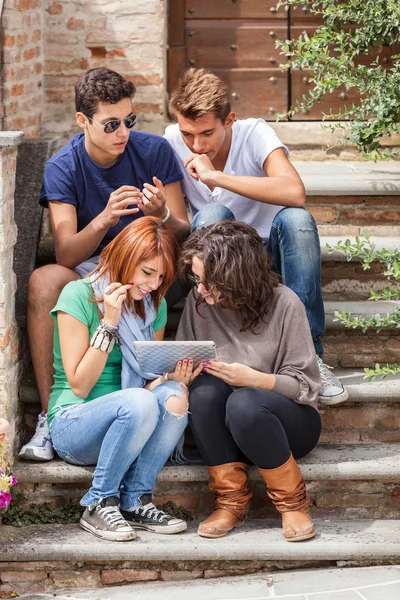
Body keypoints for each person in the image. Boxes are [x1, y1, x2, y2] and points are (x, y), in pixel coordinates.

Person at [20, 67, 190, 461]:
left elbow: (184, 231)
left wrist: (162, 214)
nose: (122, 133)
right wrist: (104, 218)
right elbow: (65, 253)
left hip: (150, 267)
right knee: (45, 281)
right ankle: (51, 416)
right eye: (111, 124)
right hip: (92, 268)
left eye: (129, 120)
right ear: (83, 121)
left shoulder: (154, 151)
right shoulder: (63, 166)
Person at [165, 67, 348, 407]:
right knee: (210, 217)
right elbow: (180, 225)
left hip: (267, 254)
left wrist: (217, 177)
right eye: (188, 134)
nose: (196, 144)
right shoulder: (171, 142)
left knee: (297, 220)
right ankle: (218, 338)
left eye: (206, 133)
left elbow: (295, 191)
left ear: (229, 119)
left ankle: (312, 355)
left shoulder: (254, 134)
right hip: (219, 261)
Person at [48, 217, 202, 541]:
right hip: (74, 422)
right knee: (139, 401)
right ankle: (99, 501)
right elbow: (80, 385)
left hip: (131, 416)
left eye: (161, 276)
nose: (151, 284)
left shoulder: (152, 306)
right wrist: (109, 323)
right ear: (124, 258)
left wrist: (170, 378)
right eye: (146, 272)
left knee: (175, 394)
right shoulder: (77, 295)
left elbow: (145, 386)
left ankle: (135, 499)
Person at [176, 221, 321, 542]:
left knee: (244, 401)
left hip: (288, 425)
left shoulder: (285, 304)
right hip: (225, 431)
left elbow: (306, 387)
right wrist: (180, 375)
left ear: (234, 275)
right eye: (195, 279)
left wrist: (256, 379)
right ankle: (231, 502)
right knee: (204, 392)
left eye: (206, 281)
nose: (199, 288)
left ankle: (293, 504)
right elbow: (185, 360)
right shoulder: (198, 304)